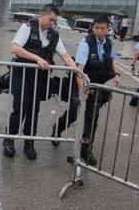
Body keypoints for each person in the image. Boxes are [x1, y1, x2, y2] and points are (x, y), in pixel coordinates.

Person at [3, 4, 77, 160]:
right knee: (20, 107)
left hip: (39, 78)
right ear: (42, 14)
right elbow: (15, 48)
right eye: (51, 19)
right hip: (22, 74)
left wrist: (79, 72)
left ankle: (29, 143)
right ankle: (9, 139)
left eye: (55, 21)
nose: (53, 23)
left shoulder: (54, 35)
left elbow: (65, 56)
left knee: (34, 110)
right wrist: (37, 58)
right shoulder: (28, 27)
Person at [51, 13, 120, 165]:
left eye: (102, 28)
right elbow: (79, 69)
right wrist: (84, 91)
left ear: (108, 29)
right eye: (96, 28)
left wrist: (116, 74)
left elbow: (113, 58)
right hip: (80, 83)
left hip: (97, 85)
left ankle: (86, 149)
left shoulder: (108, 43)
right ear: (93, 28)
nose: (99, 31)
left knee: (92, 118)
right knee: (75, 112)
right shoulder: (86, 43)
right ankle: (58, 129)